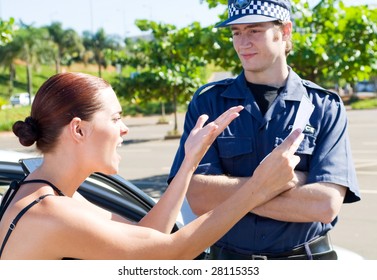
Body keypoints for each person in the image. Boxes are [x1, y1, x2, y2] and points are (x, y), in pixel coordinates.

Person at [0, 72, 304, 260]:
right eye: (116, 118)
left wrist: (189, 163)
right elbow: (170, 254)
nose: (125, 129)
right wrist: (257, 188)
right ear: (78, 130)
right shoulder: (49, 213)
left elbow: (148, 238)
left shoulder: (53, 196)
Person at [168, 0, 360, 260]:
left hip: (305, 262)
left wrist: (231, 195)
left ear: (285, 31)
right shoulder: (208, 103)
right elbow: (199, 196)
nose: (242, 42)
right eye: (236, 32)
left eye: (254, 30)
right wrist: (277, 185)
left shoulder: (324, 106)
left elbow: (324, 204)